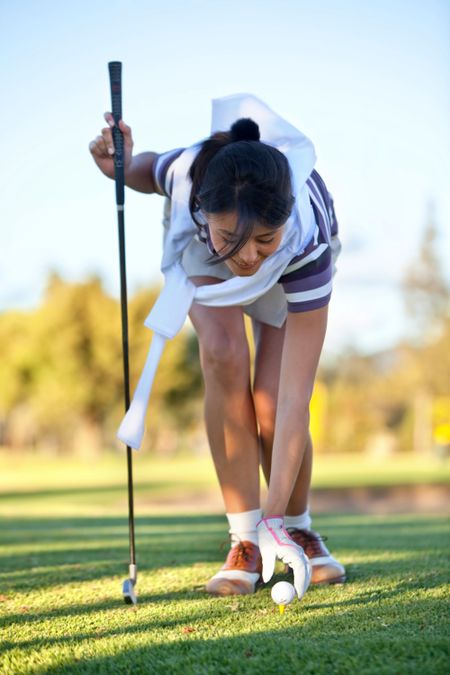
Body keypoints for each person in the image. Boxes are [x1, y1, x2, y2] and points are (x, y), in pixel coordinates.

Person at [89, 94, 346, 598]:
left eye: (262, 240)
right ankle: (244, 540)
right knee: (224, 354)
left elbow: (297, 403)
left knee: (274, 403)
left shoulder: (303, 241)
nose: (247, 256)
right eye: (235, 237)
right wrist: (114, 166)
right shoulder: (190, 175)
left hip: (288, 273)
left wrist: (279, 520)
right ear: (205, 211)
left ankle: (295, 526)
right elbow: (147, 171)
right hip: (202, 260)